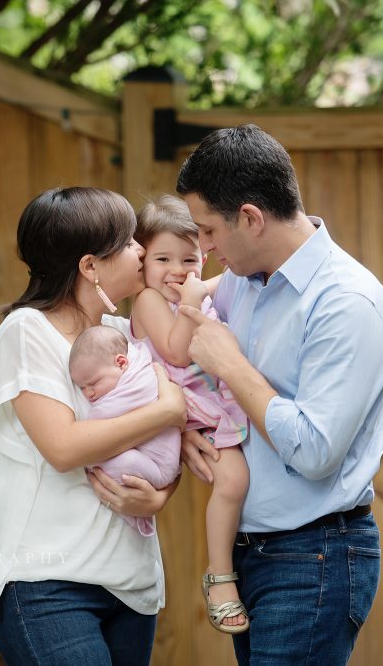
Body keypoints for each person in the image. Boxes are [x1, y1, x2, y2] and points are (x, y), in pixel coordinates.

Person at [174, 125, 383, 665]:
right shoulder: (241, 281)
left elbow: (317, 452)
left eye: (208, 231)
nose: (202, 249)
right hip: (251, 554)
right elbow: (204, 381)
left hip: (314, 556)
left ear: (250, 218)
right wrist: (187, 430)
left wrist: (231, 362)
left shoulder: (346, 303)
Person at [0, 187, 187, 666]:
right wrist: (165, 409)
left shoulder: (134, 339)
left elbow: (167, 444)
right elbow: (65, 447)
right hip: (49, 586)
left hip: (132, 587)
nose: (142, 251)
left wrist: (161, 494)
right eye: (129, 242)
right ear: (90, 265)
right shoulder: (29, 330)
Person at [129, 196, 251, 634]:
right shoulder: (148, 301)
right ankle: (221, 576)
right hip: (188, 409)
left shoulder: (194, 289)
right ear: (142, 262)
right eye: (163, 258)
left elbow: (234, 276)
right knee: (234, 481)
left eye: (190, 258)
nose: (178, 270)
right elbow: (177, 352)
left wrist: (204, 288)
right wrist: (193, 302)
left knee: (241, 481)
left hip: (211, 403)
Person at [68, 325, 181, 537]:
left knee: (99, 461)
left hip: (159, 469)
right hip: (159, 464)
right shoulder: (127, 360)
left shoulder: (136, 383)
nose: (88, 393)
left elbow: (98, 425)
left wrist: (87, 456)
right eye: (81, 387)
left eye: (93, 383)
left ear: (121, 362)